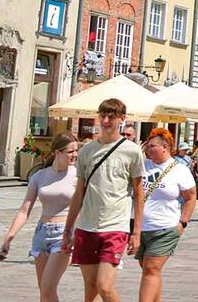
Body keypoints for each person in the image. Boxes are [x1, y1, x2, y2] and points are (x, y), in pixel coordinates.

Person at [63, 97, 146, 302]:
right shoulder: (87, 151)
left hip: (115, 226)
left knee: (104, 286)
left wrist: (136, 232)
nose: (106, 121)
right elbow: (79, 193)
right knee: (90, 288)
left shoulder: (132, 151)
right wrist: (68, 228)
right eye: (103, 116)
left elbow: (138, 193)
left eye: (112, 116)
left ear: (122, 119)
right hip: (87, 225)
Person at [0, 131, 79, 302]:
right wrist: (9, 238)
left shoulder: (78, 176)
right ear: (57, 152)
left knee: (48, 288)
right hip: (41, 234)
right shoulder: (40, 176)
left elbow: (81, 208)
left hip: (63, 234)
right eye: (70, 151)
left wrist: (74, 234)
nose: (75, 155)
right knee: (45, 291)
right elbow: (24, 210)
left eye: (76, 150)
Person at [137, 129, 196, 302]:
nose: (148, 149)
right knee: (150, 270)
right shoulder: (143, 165)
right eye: (147, 145)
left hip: (165, 228)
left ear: (166, 147)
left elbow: (191, 197)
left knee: (151, 268)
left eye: (152, 146)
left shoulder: (179, 170)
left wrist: (182, 223)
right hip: (141, 228)